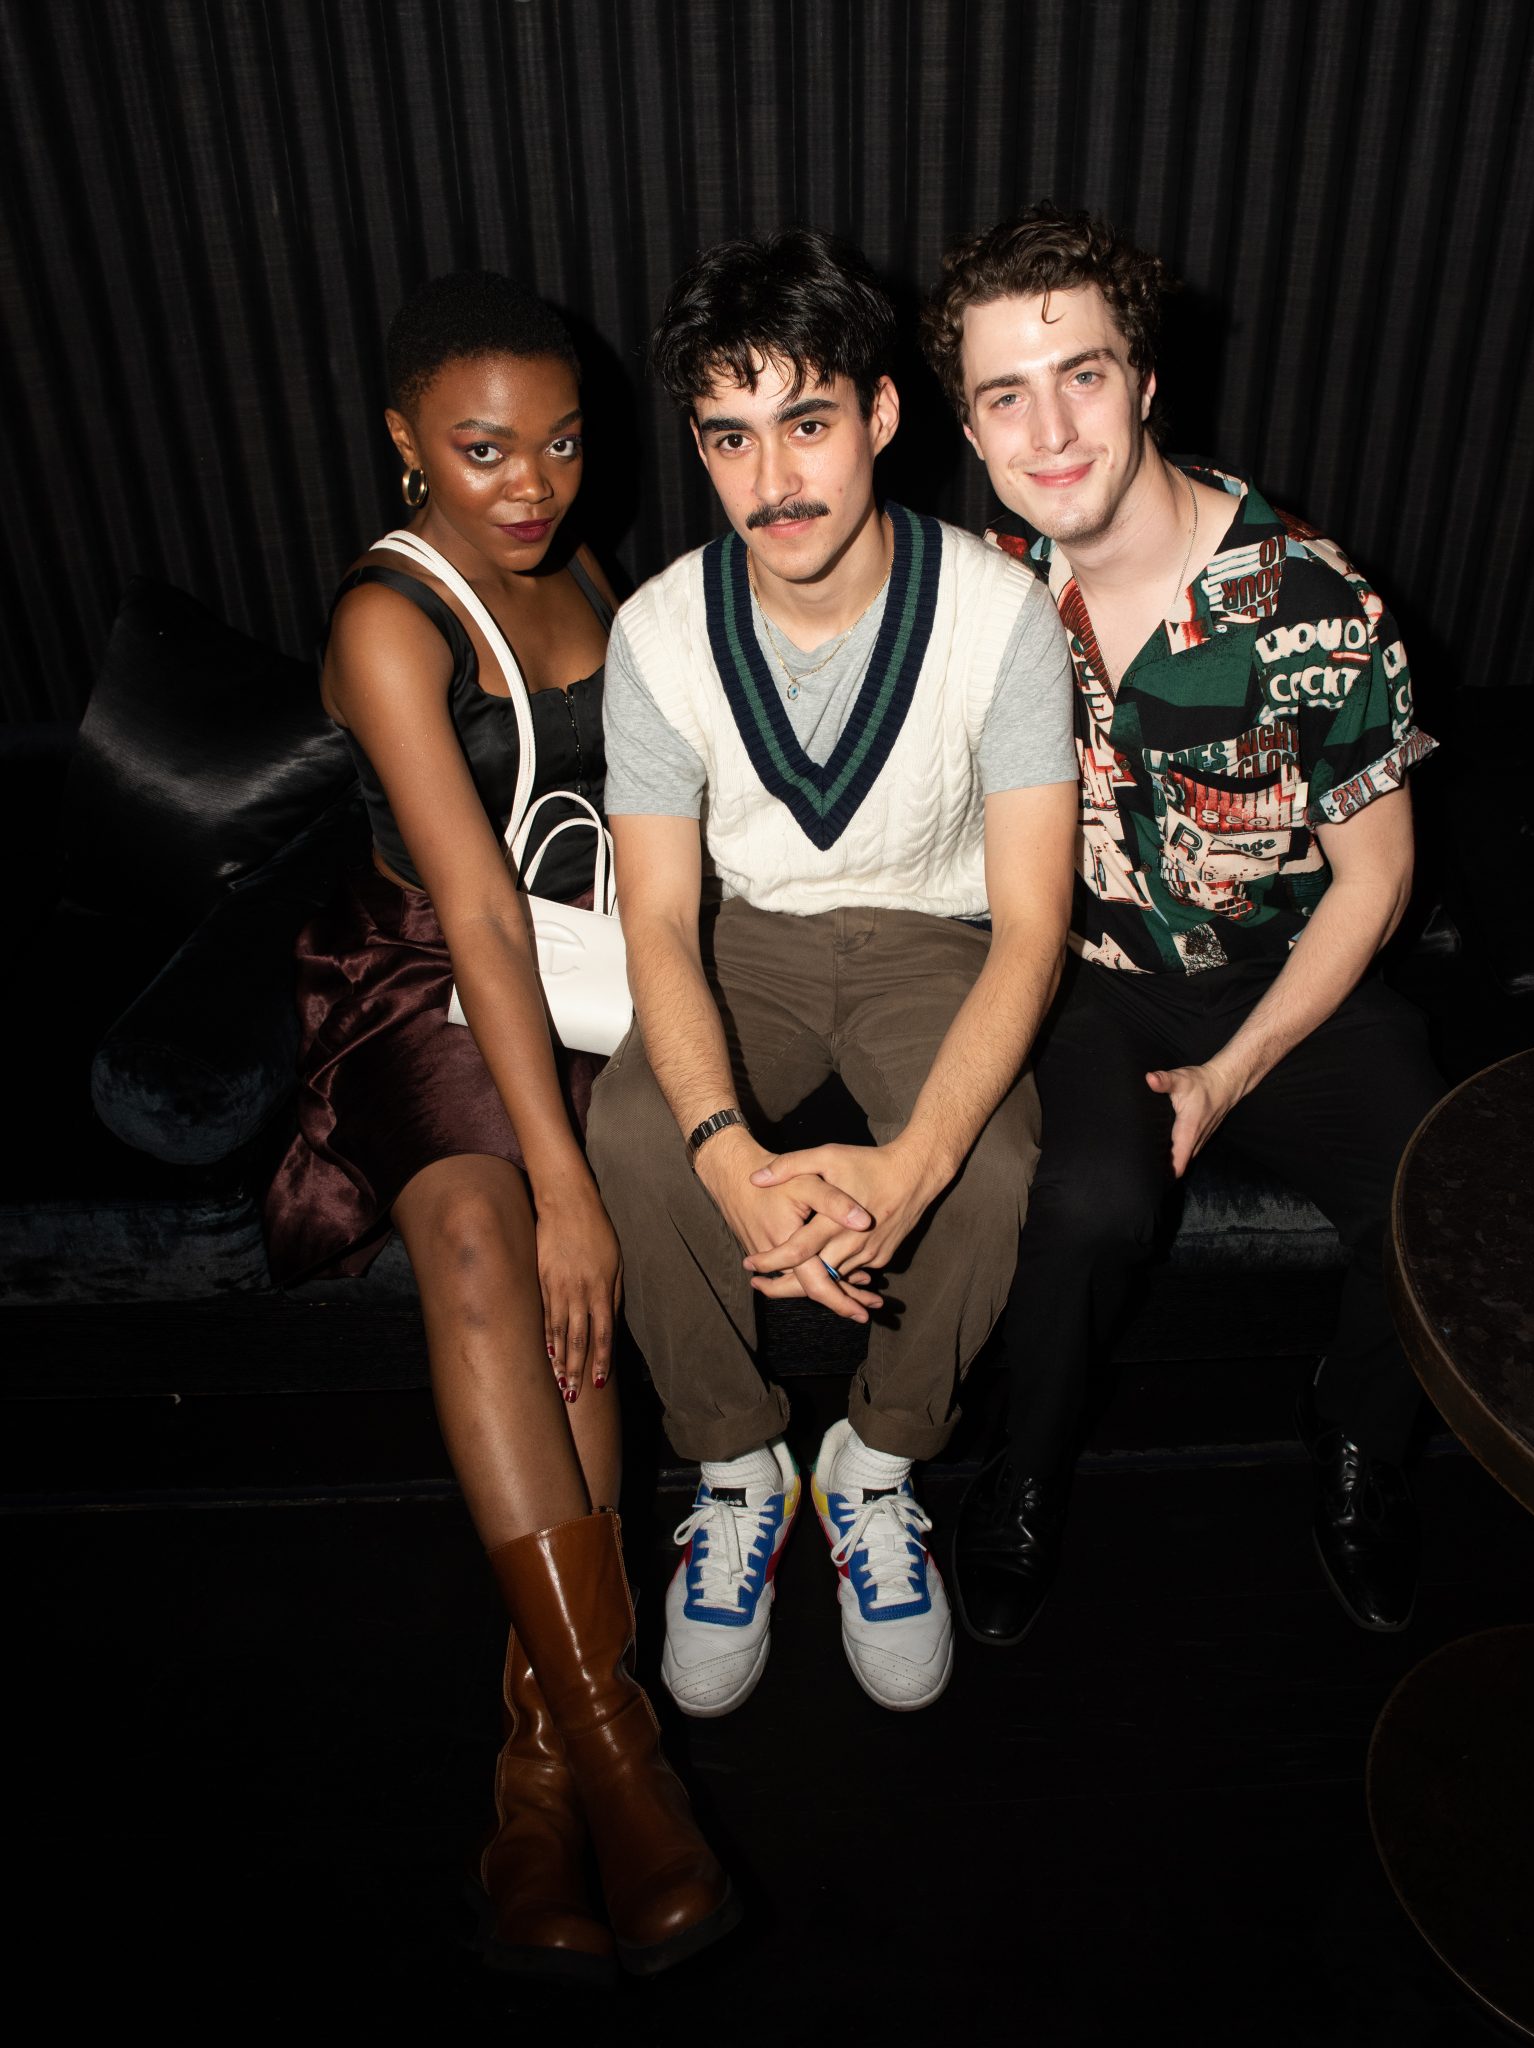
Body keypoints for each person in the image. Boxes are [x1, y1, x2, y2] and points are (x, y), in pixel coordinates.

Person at [262, 272, 736, 1981]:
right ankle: (624, 1763)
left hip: (582, 977)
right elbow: (469, 909)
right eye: (481, 450)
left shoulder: (584, 565)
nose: (529, 485)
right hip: (423, 975)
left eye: (559, 442)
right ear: (405, 442)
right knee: (494, 1238)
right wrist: (567, 1183)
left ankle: (534, 1781)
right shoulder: (391, 621)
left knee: (568, 1295)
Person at [921, 204, 1445, 1644]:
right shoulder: (986, 586)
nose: (1048, 433)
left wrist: (1230, 1073)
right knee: (1088, 1204)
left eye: (1081, 376)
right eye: (1005, 396)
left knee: (1432, 1190)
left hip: (1290, 972)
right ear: (968, 427)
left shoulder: (1312, 600)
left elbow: (1377, 879)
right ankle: (1025, 1472)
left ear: (1145, 382)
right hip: (1089, 973)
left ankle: (1357, 1437)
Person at [586, 227, 1078, 1719]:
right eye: (729, 436)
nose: (772, 478)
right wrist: (725, 1154)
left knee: (995, 1157)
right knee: (633, 1126)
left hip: (936, 940)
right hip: (749, 941)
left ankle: (877, 1461)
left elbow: (1033, 924)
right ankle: (736, 1462)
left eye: (806, 422)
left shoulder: (999, 615)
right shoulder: (657, 633)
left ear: (880, 414)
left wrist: (911, 1169)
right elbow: (657, 922)